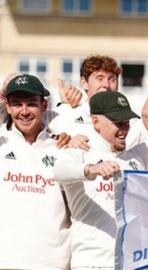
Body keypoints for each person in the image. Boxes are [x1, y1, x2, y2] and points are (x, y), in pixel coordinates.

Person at [53, 91, 144, 269]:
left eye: (126, 122)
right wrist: (90, 170)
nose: (124, 129)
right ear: (96, 122)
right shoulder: (79, 151)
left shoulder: (136, 159)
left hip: (129, 261)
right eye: (118, 122)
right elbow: (58, 172)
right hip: (91, 262)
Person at [0, 74, 70, 269]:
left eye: (31, 104)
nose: (24, 112)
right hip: (6, 261)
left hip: (53, 263)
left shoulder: (63, 146)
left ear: (44, 106)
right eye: (16, 104)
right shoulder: (1, 143)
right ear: (7, 107)